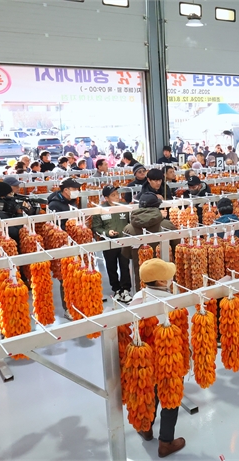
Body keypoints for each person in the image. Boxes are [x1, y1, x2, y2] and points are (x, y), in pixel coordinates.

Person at [128, 258, 185, 457]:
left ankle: (146, 427)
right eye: (169, 276)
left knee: (150, 392)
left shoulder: (138, 297)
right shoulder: (169, 302)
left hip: (146, 360)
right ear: (161, 282)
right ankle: (166, 442)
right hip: (168, 358)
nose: (171, 279)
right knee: (170, 397)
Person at [122, 192, 178, 289]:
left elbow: (126, 254)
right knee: (166, 297)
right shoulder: (167, 225)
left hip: (142, 275)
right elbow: (176, 249)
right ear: (157, 207)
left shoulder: (129, 229)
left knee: (144, 295)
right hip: (164, 275)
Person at [92, 185, 132, 303]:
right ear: (106, 198)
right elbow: (96, 227)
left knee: (125, 266)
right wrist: (106, 232)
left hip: (123, 242)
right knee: (111, 266)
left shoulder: (124, 207)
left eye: (117, 194)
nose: (117, 197)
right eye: (113, 195)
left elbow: (131, 222)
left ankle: (126, 289)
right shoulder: (100, 210)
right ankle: (116, 289)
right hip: (108, 243)